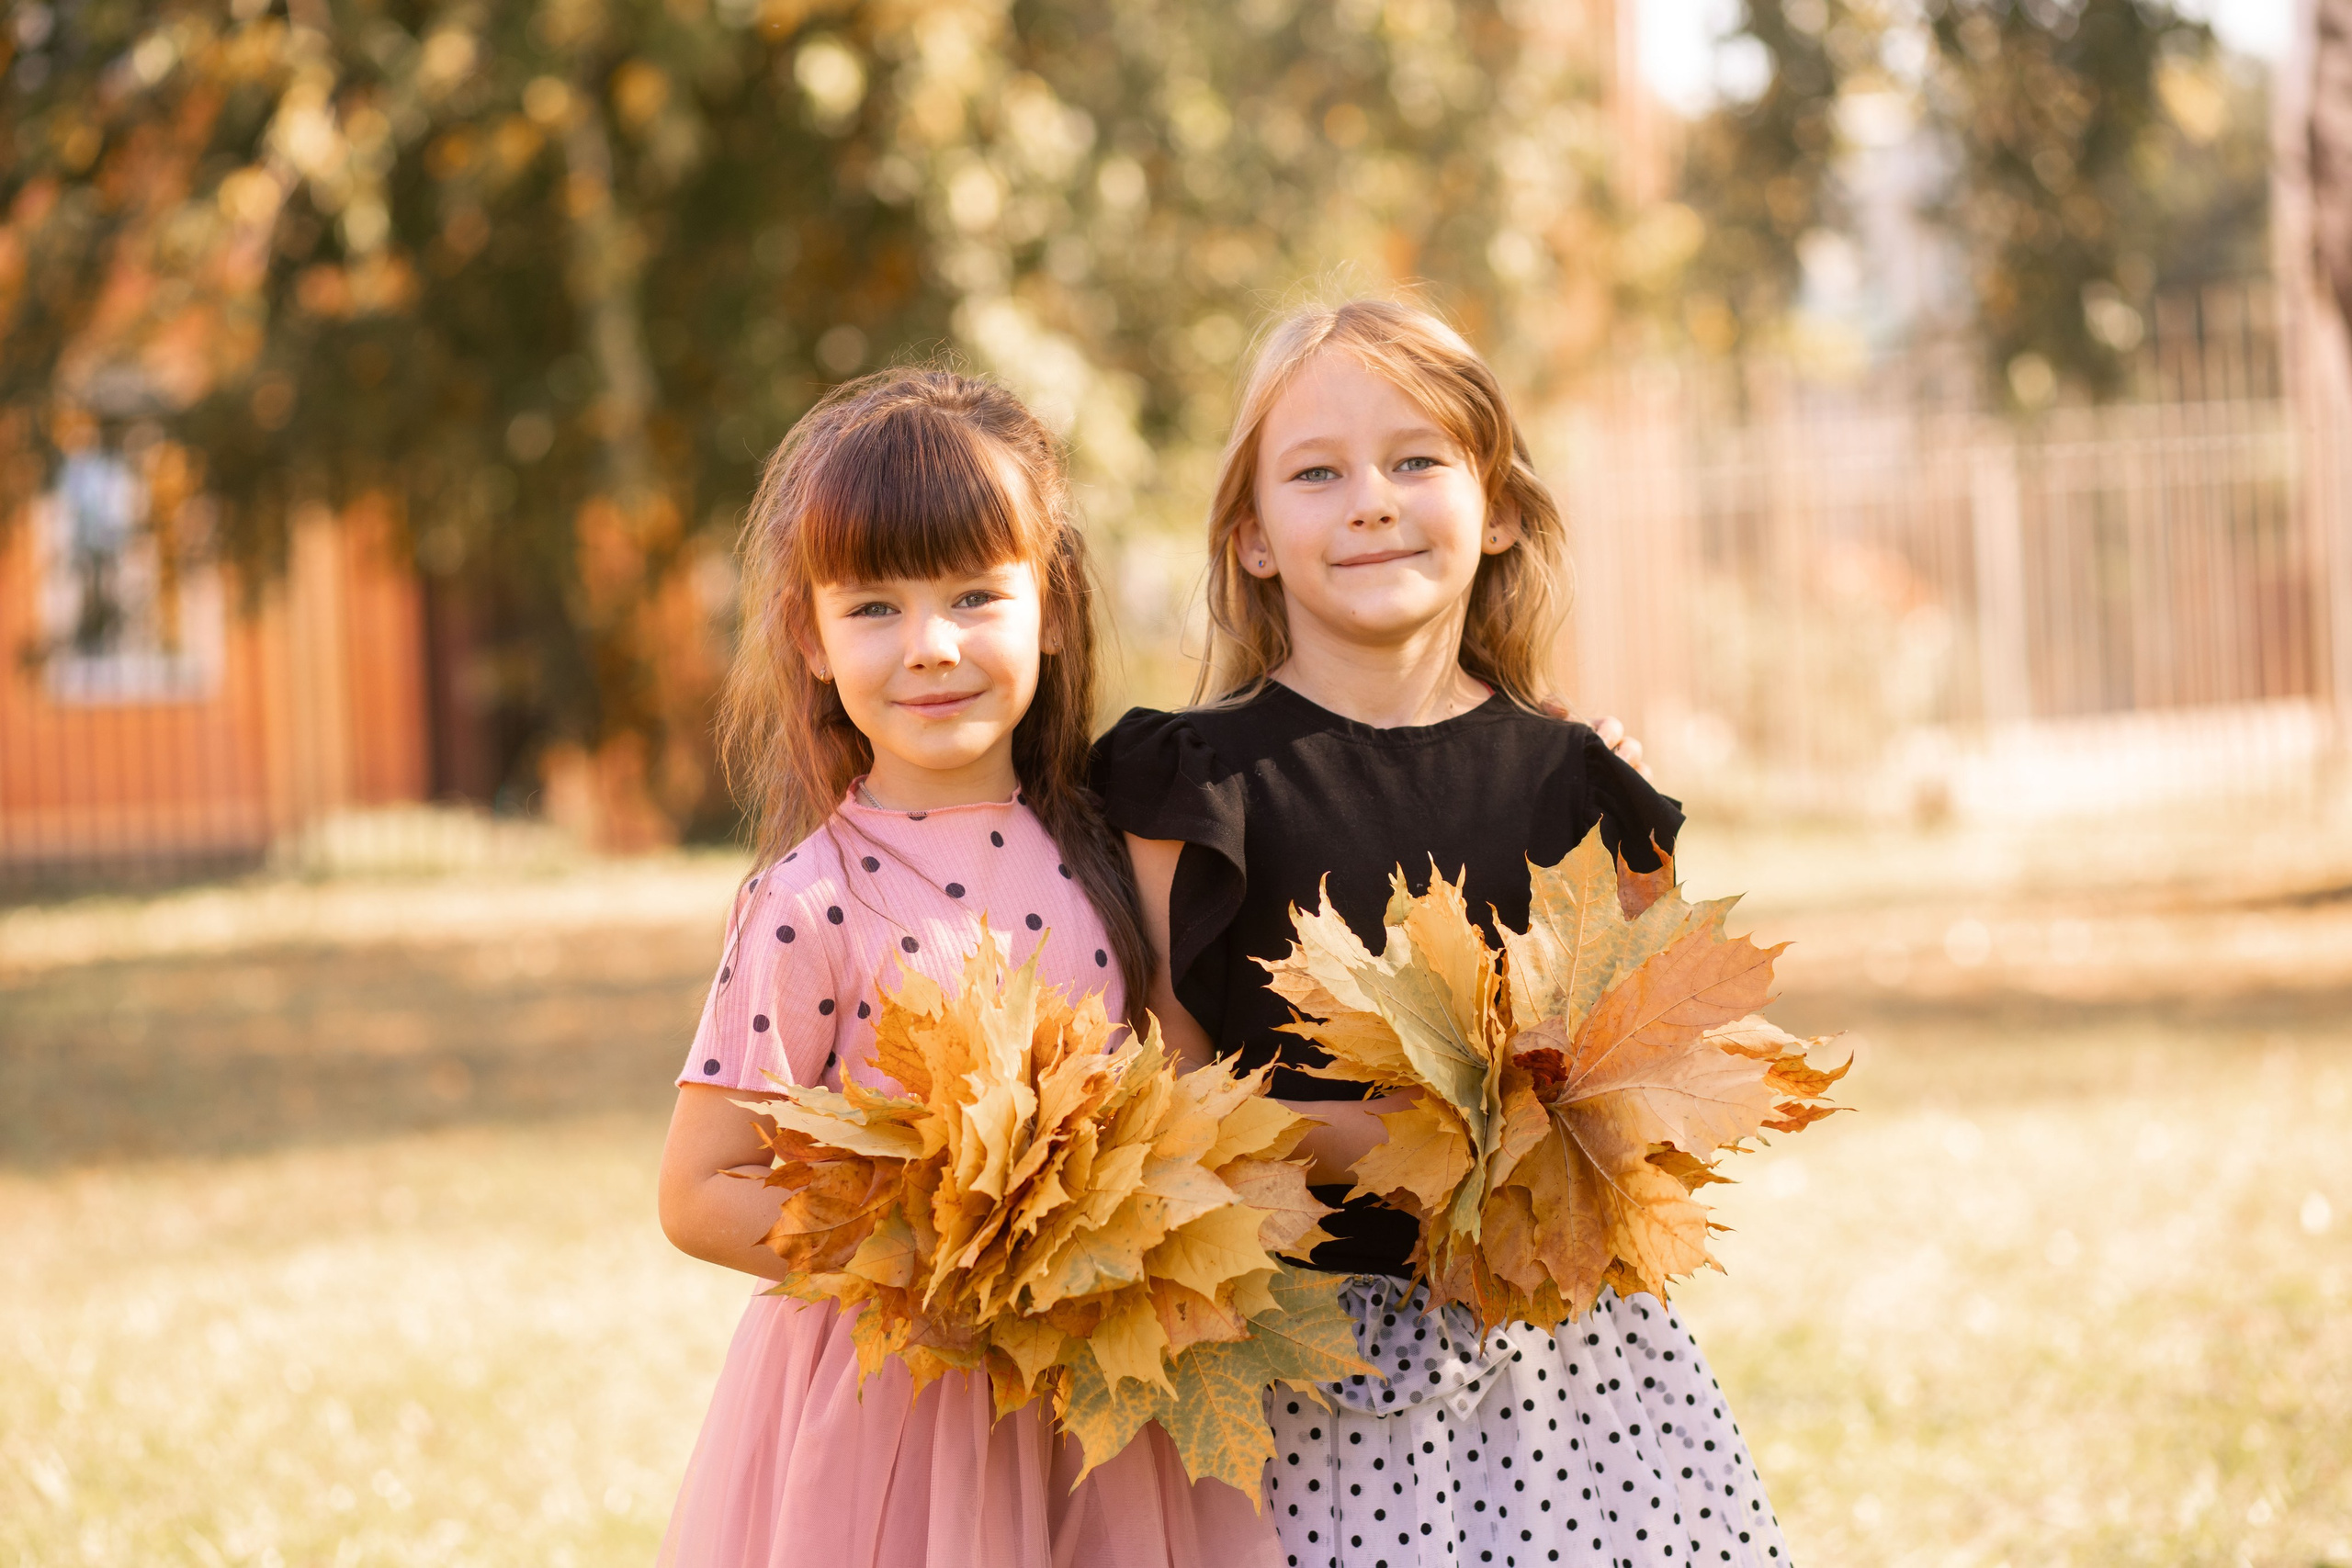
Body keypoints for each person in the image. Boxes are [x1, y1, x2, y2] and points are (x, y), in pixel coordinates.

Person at [1092, 298, 1792, 1568]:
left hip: (1555, 1374)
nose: (1371, 500)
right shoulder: (1187, 782)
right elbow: (1169, 1078)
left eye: (1417, 460)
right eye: (1318, 473)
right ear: (1251, 538)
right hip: (1294, 1361)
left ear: (1502, 507)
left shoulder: (1581, 786)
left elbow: (1634, 1079)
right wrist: (1403, 1146)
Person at [655, 369, 1280, 1568]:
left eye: (976, 596)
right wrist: (931, 1261)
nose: (931, 647)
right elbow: (701, 1190)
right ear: (812, 636)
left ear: (1050, 607)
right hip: (902, 1404)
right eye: (875, 608)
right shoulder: (810, 902)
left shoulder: (1108, 852)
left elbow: (1183, 1108)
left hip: (1097, 1402)